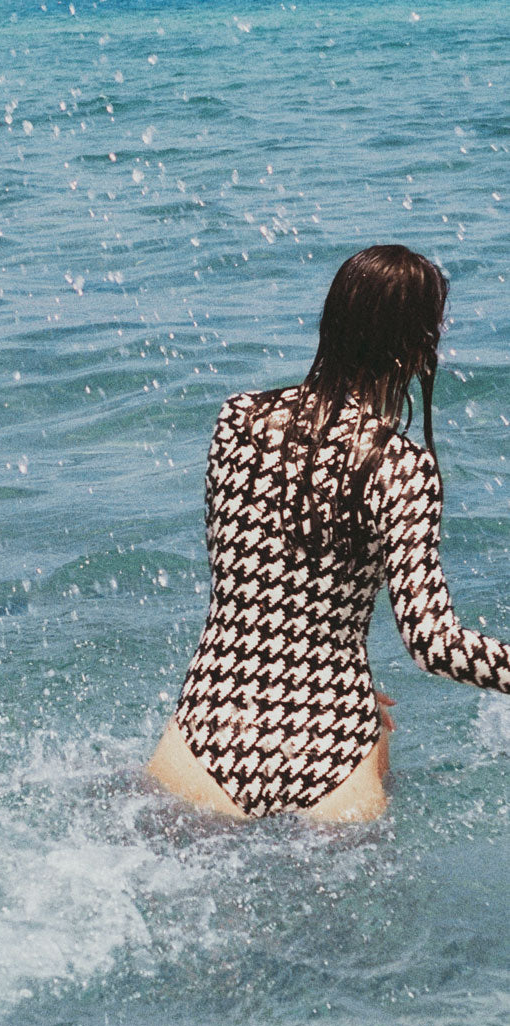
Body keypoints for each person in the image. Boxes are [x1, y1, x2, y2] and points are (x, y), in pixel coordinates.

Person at [147, 244, 510, 822]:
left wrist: (320, 667)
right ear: (416, 350)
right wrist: (337, 680)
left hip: (206, 737)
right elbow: (434, 645)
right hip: (331, 760)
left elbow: (251, 583)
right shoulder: (402, 468)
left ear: (331, 322)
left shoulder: (237, 418)